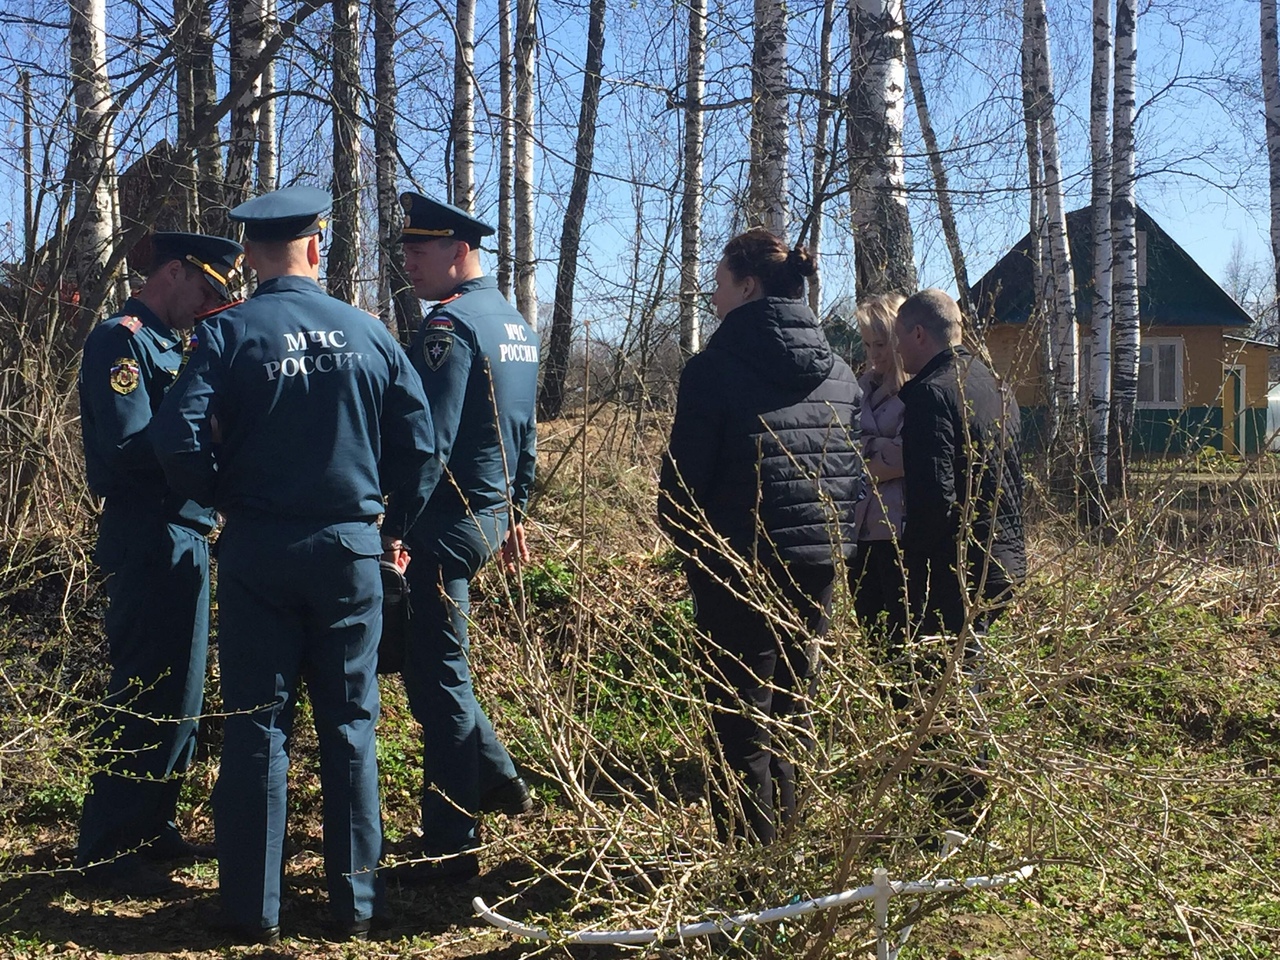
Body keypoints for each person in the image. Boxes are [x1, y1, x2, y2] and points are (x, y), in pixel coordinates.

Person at [152, 186, 439, 944]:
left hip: (258, 550)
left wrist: (223, 499)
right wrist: (394, 523)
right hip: (350, 549)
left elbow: (174, 439)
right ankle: (358, 908)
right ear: (317, 248)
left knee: (257, 728)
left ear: (249, 254)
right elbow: (422, 446)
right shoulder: (370, 333)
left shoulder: (228, 333)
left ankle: (253, 909)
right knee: (350, 727)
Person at [657, 227, 862, 844]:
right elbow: (851, 473)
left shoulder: (712, 369)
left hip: (737, 566)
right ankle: (788, 857)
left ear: (747, 286)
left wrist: (699, 553)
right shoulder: (842, 372)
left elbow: (680, 492)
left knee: (739, 716)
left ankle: (749, 868)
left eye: (719, 284)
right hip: (818, 561)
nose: (712, 297)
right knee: (793, 706)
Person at [76, 231, 243, 894]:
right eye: (202, 289)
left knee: (183, 691)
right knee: (143, 689)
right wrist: (210, 443)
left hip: (187, 530)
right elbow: (129, 445)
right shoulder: (121, 340)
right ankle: (110, 845)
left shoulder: (176, 344)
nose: (205, 305)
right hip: (148, 530)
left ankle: (153, 824)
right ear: (172, 273)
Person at [389, 192, 539, 881]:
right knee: (433, 668)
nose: (408, 262)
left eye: (420, 250)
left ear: (459, 251)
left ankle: (452, 839)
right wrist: (516, 513)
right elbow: (523, 434)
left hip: (445, 524)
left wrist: (394, 527)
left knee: (439, 680)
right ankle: (499, 780)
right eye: (405, 251)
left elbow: (429, 445)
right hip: (488, 514)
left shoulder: (448, 329)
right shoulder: (511, 321)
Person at [893, 288, 1025, 637]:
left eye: (898, 337)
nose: (897, 348)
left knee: (946, 676)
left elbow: (934, 499)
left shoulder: (931, 394)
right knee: (969, 672)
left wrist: (910, 569)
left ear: (918, 334)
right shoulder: (998, 386)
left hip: (959, 569)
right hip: (1006, 558)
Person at [848, 294, 909, 656]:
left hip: (897, 529)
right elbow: (840, 449)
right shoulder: (860, 388)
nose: (874, 354)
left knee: (900, 633)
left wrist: (864, 450)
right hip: (859, 528)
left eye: (882, 344)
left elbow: (904, 458)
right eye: (868, 344)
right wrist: (876, 449)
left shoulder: (917, 391)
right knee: (870, 629)